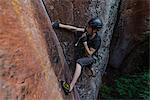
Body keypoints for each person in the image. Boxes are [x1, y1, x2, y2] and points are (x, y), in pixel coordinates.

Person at [52, 17, 103, 95]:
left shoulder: (97, 40)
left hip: (92, 57)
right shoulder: (87, 32)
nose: (87, 28)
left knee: (79, 62)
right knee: (82, 60)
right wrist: (59, 25)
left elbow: (89, 53)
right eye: (88, 26)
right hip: (87, 54)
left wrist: (85, 43)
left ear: (95, 30)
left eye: (89, 27)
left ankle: (70, 87)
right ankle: (89, 67)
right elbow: (74, 29)